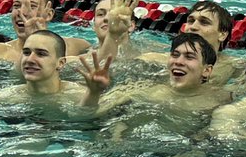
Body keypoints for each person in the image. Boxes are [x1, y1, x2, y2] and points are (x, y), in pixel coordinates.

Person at [79, 32, 231, 121]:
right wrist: (93, 92)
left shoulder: (222, 100)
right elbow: (85, 116)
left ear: (207, 70)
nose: (178, 62)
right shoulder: (142, 90)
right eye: (175, 55)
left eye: (189, 57)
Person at [0, 31, 81, 110]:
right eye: (26, 52)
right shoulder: (6, 97)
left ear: (61, 63)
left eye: (41, 54)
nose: (30, 59)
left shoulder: (78, 95)